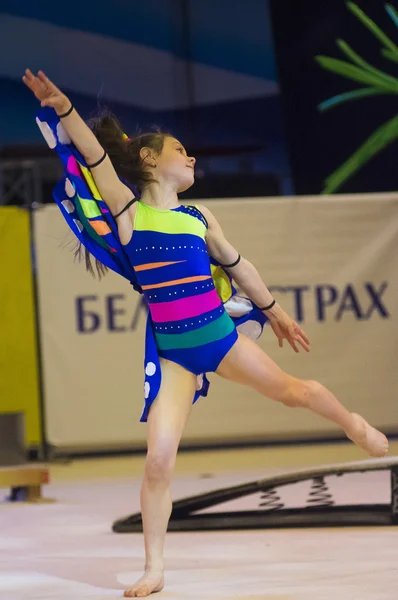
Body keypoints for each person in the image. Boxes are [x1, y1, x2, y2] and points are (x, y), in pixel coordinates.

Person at [23, 69, 388, 598]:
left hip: (218, 336)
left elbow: (240, 266)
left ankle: (353, 424)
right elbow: (94, 156)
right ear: (149, 160)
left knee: (296, 392)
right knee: (157, 461)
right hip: (174, 354)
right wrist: (63, 109)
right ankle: (153, 568)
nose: (192, 158)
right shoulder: (128, 211)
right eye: (182, 150)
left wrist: (276, 311)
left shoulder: (198, 217)